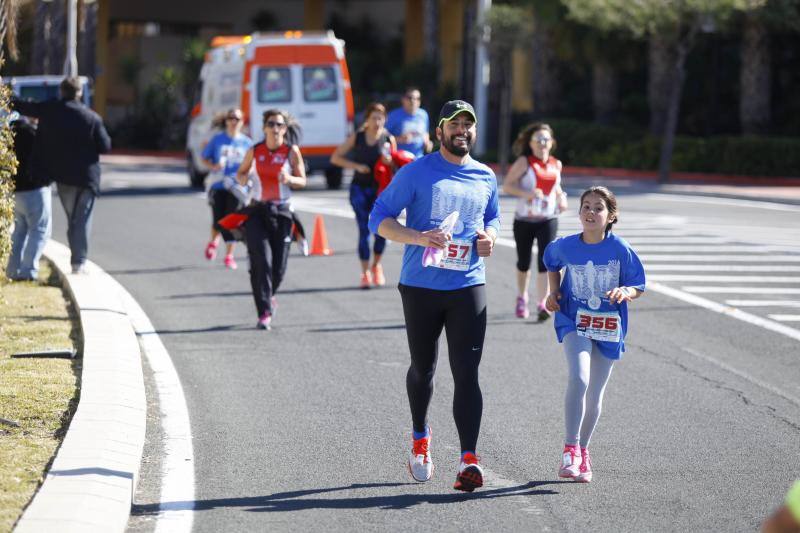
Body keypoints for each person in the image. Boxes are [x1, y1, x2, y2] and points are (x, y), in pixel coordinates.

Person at [369, 100, 500, 492]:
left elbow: (492, 216)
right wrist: (418, 237)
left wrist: (490, 237)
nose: (462, 130)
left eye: (468, 125)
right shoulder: (417, 172)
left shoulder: (485, 176)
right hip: (422, 286)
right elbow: (379, 218)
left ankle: (468, 460)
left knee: (467, 373)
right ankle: (420, 439)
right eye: (454, 124)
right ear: (439, 131)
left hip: (468, 285)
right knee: (423, 369)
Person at [543, 186, 645, 483]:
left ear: (611, 216)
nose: (590, 212)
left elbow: (638, 283)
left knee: (595, 393)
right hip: (574, 320)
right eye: (586, 206)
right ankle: (570, 448)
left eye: (598, 208)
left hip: (609, 326)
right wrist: (553, 292)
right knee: (580, 377)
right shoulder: (566, 246)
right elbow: (551, 262)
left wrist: (625, 291)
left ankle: (584, 452)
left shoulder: (620, 249)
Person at [12, 77, 111, 274]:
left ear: (61, 91)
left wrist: (7, 95)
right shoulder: (91, 118)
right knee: (81, 219)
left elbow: (25, 107)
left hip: (64, 178)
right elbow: (105, 146)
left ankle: (77, 257)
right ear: (79, 93)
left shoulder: (51, 110)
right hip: (87, 178)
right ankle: (78, 262)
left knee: (73, 219)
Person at [236, 109, 306, 330]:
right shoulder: (255, 150)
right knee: (261, 261)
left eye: (279, 125)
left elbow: (302, 180)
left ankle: (268, 296)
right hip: (257, 211)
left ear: (285, 129)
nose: (275, 128)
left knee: (279, 269)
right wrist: (244, 178)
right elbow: (241, 173)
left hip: (282, 213)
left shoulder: (290, 151)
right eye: (271, 124)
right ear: (264, 127)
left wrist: (290, 178)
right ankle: (264, 311)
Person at [503, 123, 567, 321]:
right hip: (524, 219)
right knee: (524, 262)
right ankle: (522, 297)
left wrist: (561, 197)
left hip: (548, 219)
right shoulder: (524, 162)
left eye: (546, 139)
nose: (542, 143)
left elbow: (556, 187)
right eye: (538, 140)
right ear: (530, 144)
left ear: (552, 143)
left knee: (545, 261)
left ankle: (542, 303)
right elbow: (507, 186)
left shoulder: (556, 164)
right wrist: (527, 194)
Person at [331, 103, 396, 288]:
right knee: (364, 230)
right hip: (359, 188)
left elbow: (396, 166)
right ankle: (365, 272)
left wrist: (389, 162)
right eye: (373, 118)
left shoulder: (388, 138)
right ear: (366, 120)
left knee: (383, 231)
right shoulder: (358, 137)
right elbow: (336, 157)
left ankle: (376, 266)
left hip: (381, 191)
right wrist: (356, 166)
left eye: (380, 118)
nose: (377, 122)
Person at [201, 108, 253, 270]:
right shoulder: (218, 139)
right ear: (226, 121)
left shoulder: (246, 142)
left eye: (237, 119)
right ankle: (213, 242)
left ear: (242, 122)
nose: (233, 121)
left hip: (237, 187)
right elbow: (204, 157)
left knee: (232, 220)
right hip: (218, 184)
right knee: (218, 219)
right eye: (230, 118)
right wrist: (214, 166)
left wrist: (247, 175)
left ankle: (229, 256)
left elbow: (252, 164)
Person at [5, 114, 52, 282]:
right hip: (35, 189)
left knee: (19, 231)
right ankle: (28, 271)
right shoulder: (34, 134)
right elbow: (47, 159)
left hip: (14, 191)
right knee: (39, 230)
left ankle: (12, 269)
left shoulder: (8, 135)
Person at [386, 87, 433, 159]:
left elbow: (425, 132)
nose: (413, 101)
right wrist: (399, 139)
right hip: (399, 159)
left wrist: (427, 142)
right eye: (410, 98)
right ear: (403, 99)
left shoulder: (423, 115)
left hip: (418, 158)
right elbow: (383, 136)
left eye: (417, 98)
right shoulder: (393, 115)